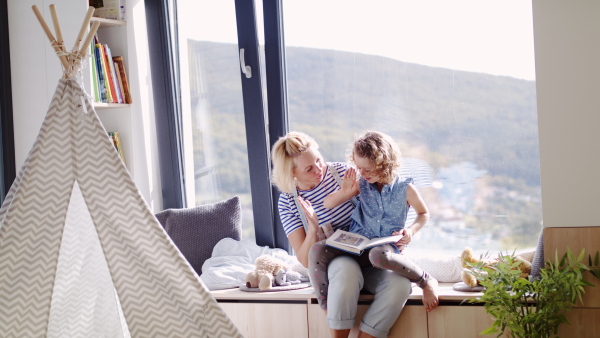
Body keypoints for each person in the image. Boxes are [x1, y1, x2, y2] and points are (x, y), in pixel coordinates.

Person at [271, 131, 412, 338]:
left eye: (319, 160)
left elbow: (387, 204)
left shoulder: (343, 173)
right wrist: (312, 229)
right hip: (336, 264)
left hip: (370, 256)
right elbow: (304, 259)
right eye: (309, 168)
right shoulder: (289, 202)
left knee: (401, 284)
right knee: (347, 268)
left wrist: (403, 232)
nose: (319, 169)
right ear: (292, 173)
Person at [309, 130, 439, 313]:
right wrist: (345, 192)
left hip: (384, 247)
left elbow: (424, 214)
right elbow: (327, 203)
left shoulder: (405, 189)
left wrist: (410, 231)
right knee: (318, 249)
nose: (362, 173)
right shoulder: (361, 183)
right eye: (358, 167)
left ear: (385, 164)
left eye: (367, 169)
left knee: (377, 256)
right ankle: (326, 306)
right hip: (356, 244)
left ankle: (426, 280)